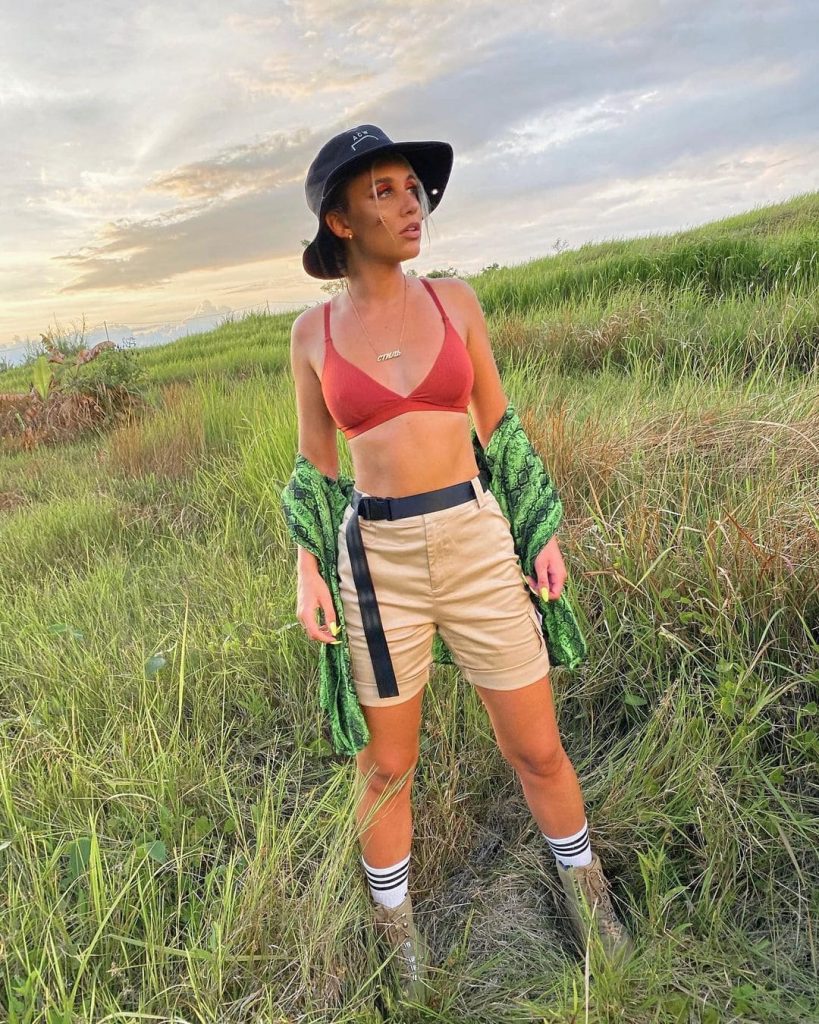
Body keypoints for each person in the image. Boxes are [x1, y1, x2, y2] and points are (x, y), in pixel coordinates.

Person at [288, 124, 634, 1003]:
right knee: (386, 766)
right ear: (339, 221)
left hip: (477, 542)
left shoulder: (456, 304)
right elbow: (315, 467)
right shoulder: (310, 333)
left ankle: (587, 896)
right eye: (384, 191)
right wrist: (307, 567)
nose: (411, 204)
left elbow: (499, 424)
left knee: (538, 748)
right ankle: (397, 939)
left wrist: (539, 528)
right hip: (376, 562)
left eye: (413, 187)